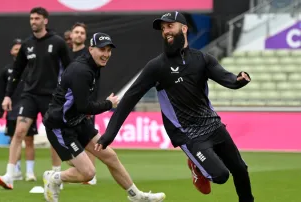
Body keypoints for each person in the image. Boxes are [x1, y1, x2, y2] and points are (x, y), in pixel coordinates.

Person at [96, 11, 255, 202]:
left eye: (170, 26)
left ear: (184, 28)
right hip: (188, 134)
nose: (166, 31)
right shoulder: (157, 66)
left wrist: (238, 80)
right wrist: (110, 133)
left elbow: (226, 78)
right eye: (163, 29)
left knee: (240, 169)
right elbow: (130, 98)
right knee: (221, 176)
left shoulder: (203, 59)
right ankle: (196, 165)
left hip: (213, 125)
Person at [42, 32, 166, 202]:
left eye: (108, 50)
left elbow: (82, 106)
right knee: (88, 173)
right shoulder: (82, 71)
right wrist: (109, 104)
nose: (106, 54)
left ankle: (136, 196)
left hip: (77, 122)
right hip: (61, 126)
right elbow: (84, 106)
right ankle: (53, 178)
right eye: (102, 49)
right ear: (90, 49)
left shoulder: (93, 66)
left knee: (110, 157)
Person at [0, 7, 71, 190]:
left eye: (37, 18)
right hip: (29, 95)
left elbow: (70, 69)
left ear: (45, 20)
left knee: (54, 136)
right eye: (31, 18)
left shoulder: (58, 42)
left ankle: (56, 175)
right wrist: (7, 95)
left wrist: (69, 94)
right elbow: (16, 72)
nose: (33, 21)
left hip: (51, 97)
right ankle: (10, 175)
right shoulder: (26, 45)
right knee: (19, 131)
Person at [0, 38, 38, 181]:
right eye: (16, 48)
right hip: (12, 109)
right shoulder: (7, 70)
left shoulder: (32, 69)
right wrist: (0, 109)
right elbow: (1, 91)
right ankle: (16, 170)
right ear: (11, 51)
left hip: (28, 107)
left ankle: (30, 172)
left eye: (21, 48)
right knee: (14, 138)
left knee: (29, 140)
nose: (18, 51)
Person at [69, 22, 98, 186]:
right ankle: (82, 170)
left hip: (85, 105)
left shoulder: (88, 56)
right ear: (71, 35)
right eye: (76, 32)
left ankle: (91, 175)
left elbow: (93, 82)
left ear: (85, 37)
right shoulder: (66, 55)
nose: (79, 35)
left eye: (82, 33)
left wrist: (89, 104)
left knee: (89, 140)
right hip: (68, 107)